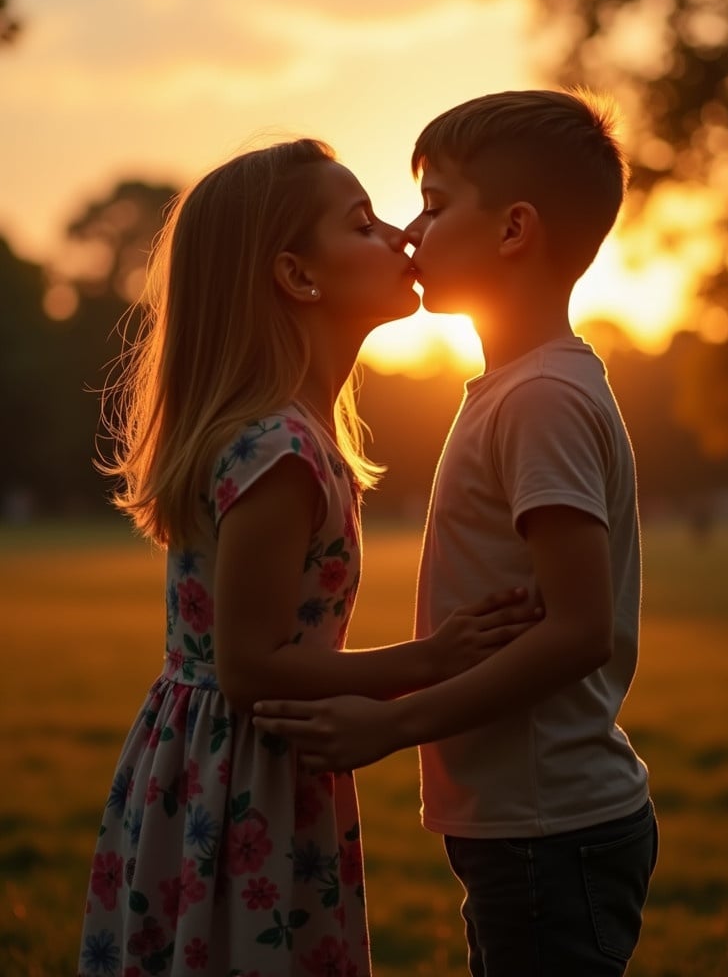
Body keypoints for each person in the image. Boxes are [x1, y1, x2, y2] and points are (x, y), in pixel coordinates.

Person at [78, 138, 536, 977]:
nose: (401, 235)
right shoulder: (278, 453)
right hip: (244, 777)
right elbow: (250, 668)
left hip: (234, 762)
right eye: (362, 224)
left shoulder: (295, 437)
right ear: (297, 277)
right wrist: (429, 659)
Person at [253, 90, 659, 976]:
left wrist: (396, 726)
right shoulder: (521, 388)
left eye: (434, 207)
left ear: (514, 231)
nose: (409, 232)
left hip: (552, 826)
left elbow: (580, 629)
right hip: (529, 822)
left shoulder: (542, 399)